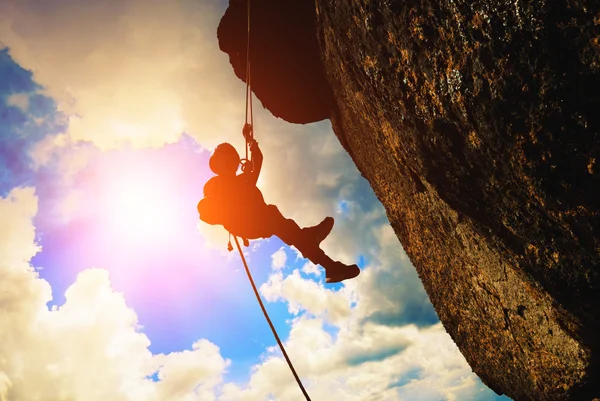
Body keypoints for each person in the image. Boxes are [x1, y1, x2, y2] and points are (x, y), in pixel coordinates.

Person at [197, 137, 360, 283]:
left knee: (285, 227)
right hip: (244, 222)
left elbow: (257, 163)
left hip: (258, 220)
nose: (230, 164)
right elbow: (209, 209)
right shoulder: (216, 184)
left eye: (230, 159)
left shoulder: (243, 180)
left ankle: (329, 265)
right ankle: (316, 247)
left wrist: (252, 145)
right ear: (219, 164)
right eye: (225, 159)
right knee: (277, 219)